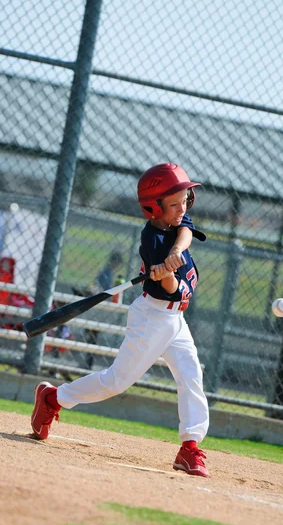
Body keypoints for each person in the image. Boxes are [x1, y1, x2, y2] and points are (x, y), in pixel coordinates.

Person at [30, 163, 210, 478]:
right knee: (116, 382)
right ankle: (52, 398)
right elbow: (169, 290)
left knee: (191, 376)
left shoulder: (176, 223)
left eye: (186, 199)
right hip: (153, 317)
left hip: (176, 321)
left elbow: (186, 232)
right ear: (154, 208)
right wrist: (167, 274)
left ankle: (190, 447)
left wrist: (176, 254)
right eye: (174, 203)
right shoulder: (151, 239)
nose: (183, 208)